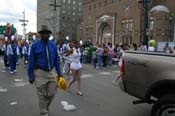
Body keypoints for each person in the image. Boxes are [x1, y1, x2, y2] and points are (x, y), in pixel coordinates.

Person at [28, 25, 62, 116]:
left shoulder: (53, 45)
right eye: (43, 33)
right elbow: (31, 61)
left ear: (49, 34)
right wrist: (31, 76)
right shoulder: (35, 45)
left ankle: (44, 106)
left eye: (47, 33)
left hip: (51, 72)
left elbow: (56, 60)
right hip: (40, 72)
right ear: (40, 34)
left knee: (52, 93)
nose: (45, 35)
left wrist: (59, 73)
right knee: (41, 94)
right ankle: (44, 112)